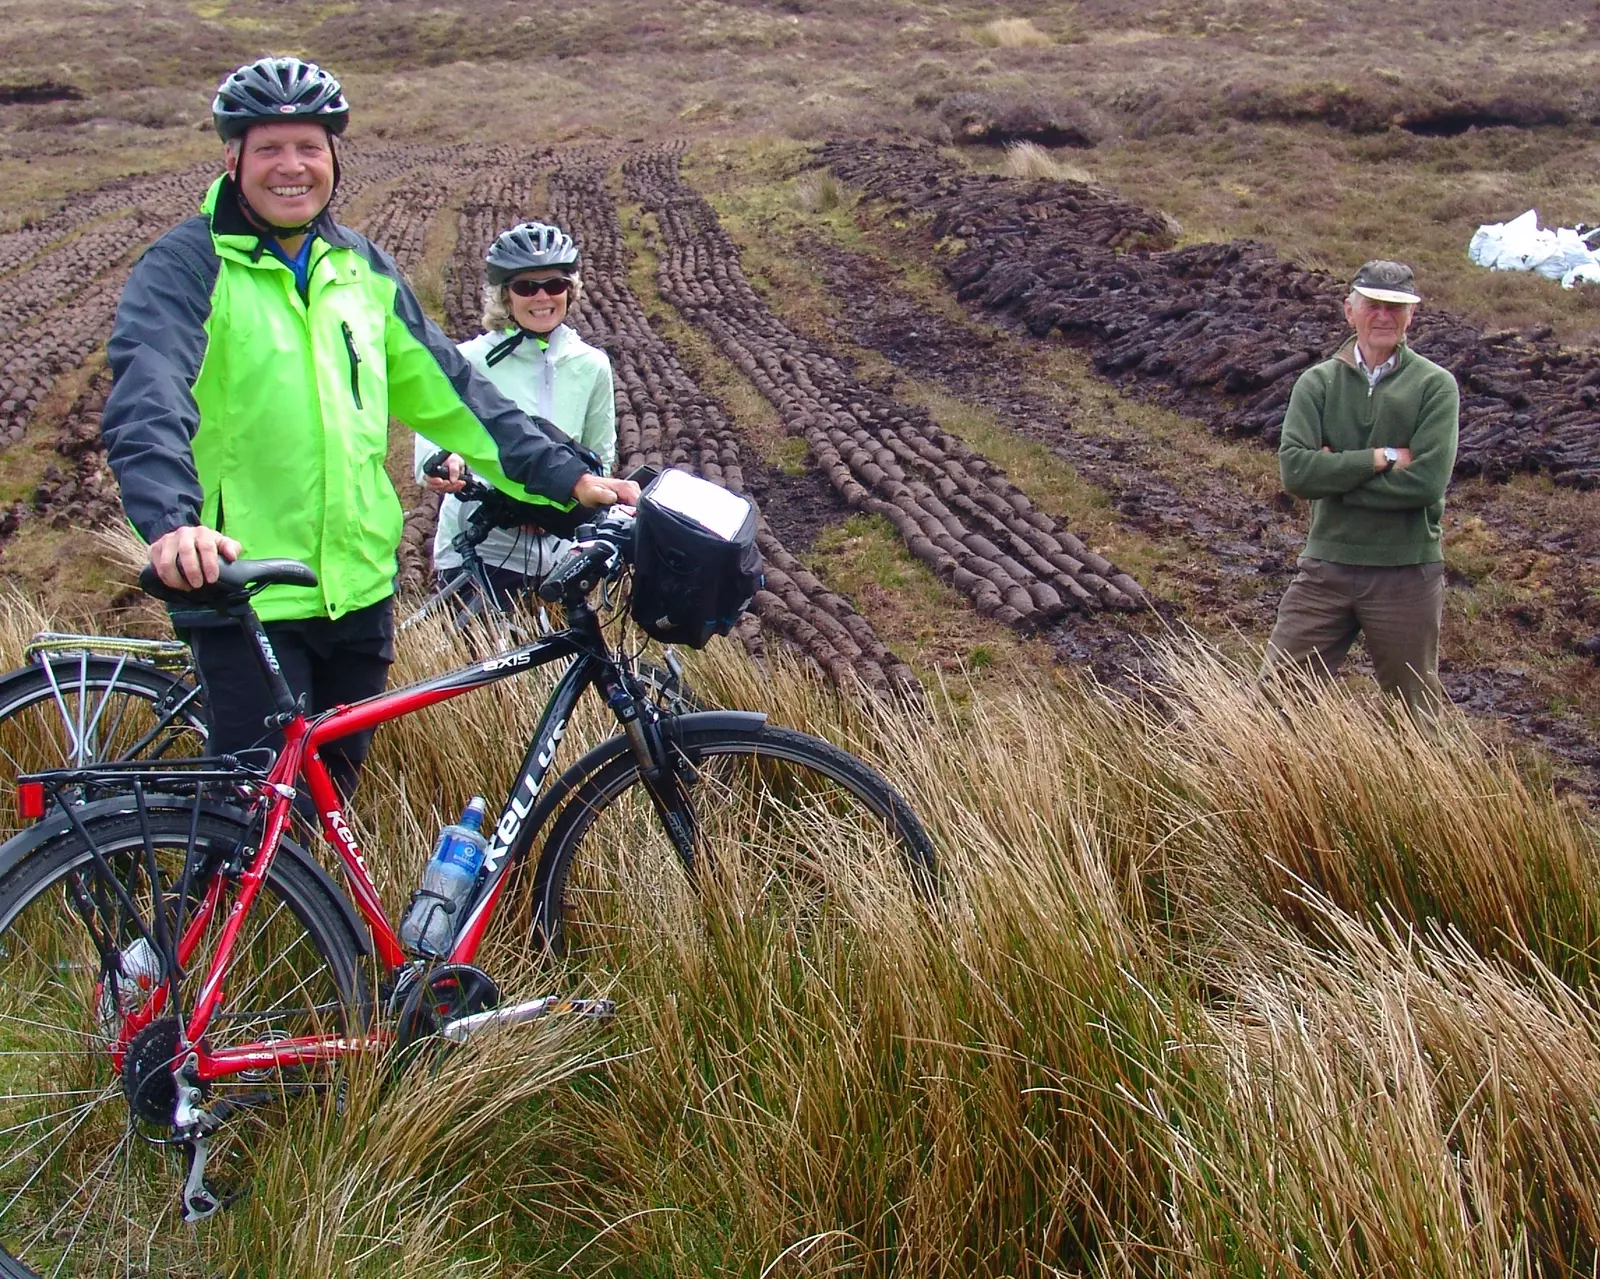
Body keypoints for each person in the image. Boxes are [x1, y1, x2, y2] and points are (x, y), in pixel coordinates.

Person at [100, 56, 638, 796]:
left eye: (309, 147)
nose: (292, 166)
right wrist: (171, 524)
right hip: (250, 595)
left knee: (328, 816)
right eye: (270, 148)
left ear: (333, 157)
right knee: (251, 828)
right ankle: (197, 910)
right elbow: (149, 395)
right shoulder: (188, 267)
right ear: (234, 158)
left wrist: (568, 475)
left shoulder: (361, 271)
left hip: (359, 596)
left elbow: (458, 397)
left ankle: (307, 917)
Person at [1263, 259, 1460, 718]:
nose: (1384, 316)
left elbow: (1427, 484)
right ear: (1350, 311)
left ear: (1412, 315)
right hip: (1326, 569)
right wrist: (1381, 459)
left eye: (1396, 307)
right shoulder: (1317, 383)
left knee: (1415, 714)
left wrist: (1334, 479)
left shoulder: (1435, 386)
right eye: (1373, 304)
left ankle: (1420, 790)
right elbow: (1295, 474)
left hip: (1406, 572)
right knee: (1276, 703)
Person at [415, 221, 617, 606]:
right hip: (480, 551)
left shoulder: (591, 365)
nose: (541, 297)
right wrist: (448, 462)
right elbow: (430, 448)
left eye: (554, 285)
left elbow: (601, 456)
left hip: (559, 557)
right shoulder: (468, 360)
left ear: (570, 291)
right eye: (526, 287)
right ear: (504, 295)